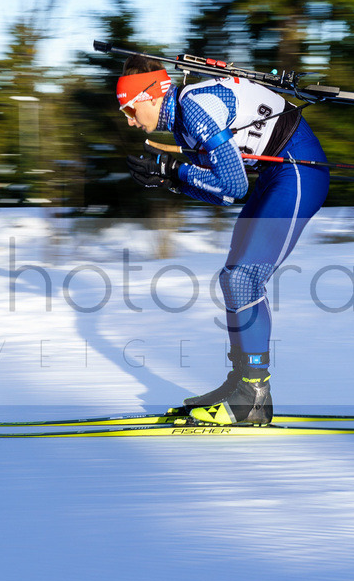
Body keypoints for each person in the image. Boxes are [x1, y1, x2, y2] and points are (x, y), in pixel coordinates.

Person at [116, 55, 330, 424]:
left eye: (131, 110)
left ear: (152, 95)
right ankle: (241, 384)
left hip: (298, 173)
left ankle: (254, 396)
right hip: (275, 178)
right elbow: (224, 193)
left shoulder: (193, 108)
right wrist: (172, 179)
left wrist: (176, 170)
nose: (131, 121)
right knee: (234, 278)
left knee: (243, 278)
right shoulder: (184, 121)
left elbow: (234, 185)